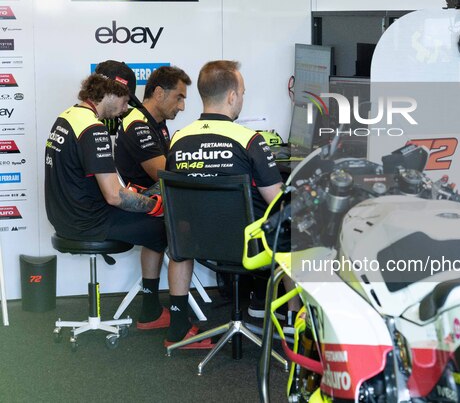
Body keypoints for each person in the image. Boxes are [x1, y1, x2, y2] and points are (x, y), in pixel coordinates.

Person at [164, 60, 286, 347]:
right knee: (293, 224)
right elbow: (278, 200)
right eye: (242, 92)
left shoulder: (178, 140)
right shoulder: (249, 140)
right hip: (247, 246)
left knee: (179, 234)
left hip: (193, 244)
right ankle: (291, 320)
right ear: (232, 96)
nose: (242, 97)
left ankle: (178, 327)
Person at [44, 67, 168, 330]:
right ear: (112, 92)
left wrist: (136, 196)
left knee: (145, 211)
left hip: (66, 217)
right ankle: (151, 312)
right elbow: (113, 196)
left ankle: (151, 308)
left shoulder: (66, 117)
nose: (125, 109)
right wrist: (153, 205)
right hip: (88, 221)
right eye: (125, 101)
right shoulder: (92, 129)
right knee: (163, 230)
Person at [114, 65, 191, 188]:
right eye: (178, 98)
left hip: (153, 202)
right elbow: (167, 178)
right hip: (139, 205)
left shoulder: (159, 123)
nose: (182, 107)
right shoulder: (137, 125)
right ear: (159, 93)